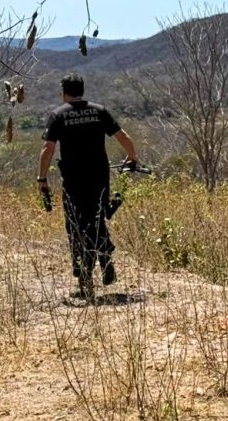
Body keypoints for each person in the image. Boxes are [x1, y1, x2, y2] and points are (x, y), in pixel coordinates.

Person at [38, 73, 138, 300]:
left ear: (64, 91)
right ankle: (105, 259)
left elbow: (48, 149)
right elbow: (122, 136)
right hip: (100, 177)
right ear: (81, 90)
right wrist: (132, 157)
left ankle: (85, 278)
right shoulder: (99, 111)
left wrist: (42, 179)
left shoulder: (58, 115)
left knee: (76, 226)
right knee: (97, 219)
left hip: (74, 181)